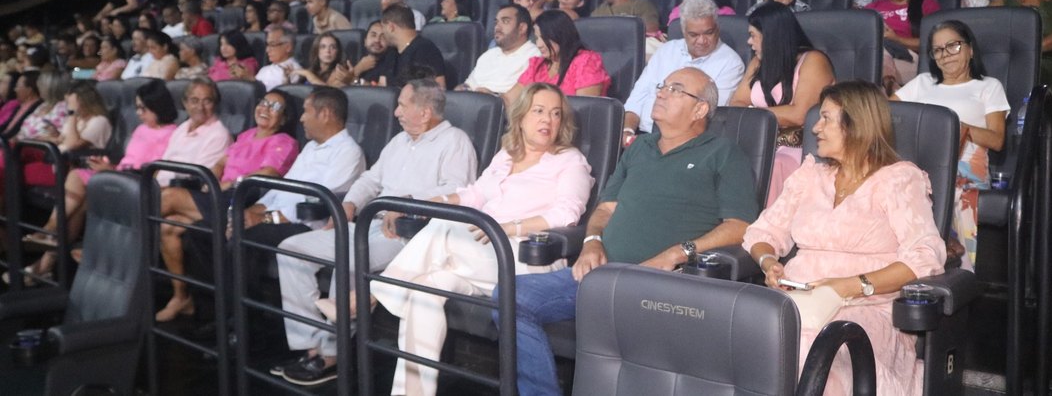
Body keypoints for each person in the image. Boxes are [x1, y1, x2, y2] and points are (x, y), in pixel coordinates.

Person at [499, 67, 759, 396]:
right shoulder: (639, 148)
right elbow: (605, 209)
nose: (661, 92)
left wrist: (677, 253)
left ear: (700, 109)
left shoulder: (723, 154)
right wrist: (592, 242)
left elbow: (740, 226)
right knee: (510, 297)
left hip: (663, 286)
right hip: (602, 273)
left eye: (676, 90)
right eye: (663, 86)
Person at [371, 83, 594, 396]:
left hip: (525, 260)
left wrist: (509, 228)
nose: (549, 120)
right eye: (539, 111)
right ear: (521, 116)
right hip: (477, 256)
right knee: (426, 288)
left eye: (556, 114)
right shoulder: (506, 155)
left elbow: (567, 214)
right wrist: (435, 201)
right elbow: (474, 194)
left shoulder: (569, 161)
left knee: (443, 228)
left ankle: (372, 294)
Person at [744, 80, 946, 396]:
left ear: (856, 125)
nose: (815, 129)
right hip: (798, 300)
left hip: (866, 306)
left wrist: (848, 286)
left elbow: (924, 256)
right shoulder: (810, 175)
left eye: (826, 119)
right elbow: (762, 232)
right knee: (746, 335)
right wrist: (769, 261)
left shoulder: (898, 179)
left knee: (813, 344)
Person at [273, 79, 478, 386]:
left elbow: (456, 192)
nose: (396, 112)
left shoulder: (455, 141)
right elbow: (370, 179)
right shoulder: (399, 142)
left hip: (412, 235)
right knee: (291, 249)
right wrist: (350, 203)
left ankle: (333, 356)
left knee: (352, 257)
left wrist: (407, 205)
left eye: (403, 105)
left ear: (424, 112)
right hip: (370, 224)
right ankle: (312, 346)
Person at [154, 89, 299, 322]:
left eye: (275, 107)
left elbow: (269, 173)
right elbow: (222, 162)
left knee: (169, 197)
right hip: (220, 193)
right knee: (168, 227)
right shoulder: (246, 135)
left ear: (283, 119)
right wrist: (212, 179)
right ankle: (181, 297)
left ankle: (125, 236)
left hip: (243, 198)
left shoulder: (284, 142)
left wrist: (229, 183)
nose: (266, 109)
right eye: (264, 103)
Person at [21, 80, 179, 282]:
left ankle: (48, 245)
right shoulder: (141, 129)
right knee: (79, 180)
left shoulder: (171, 133)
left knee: (80, 192)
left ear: (158, 106)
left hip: (135, 182)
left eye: (143, 108)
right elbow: (126, 161)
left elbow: (153, 171)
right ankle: (48, 244)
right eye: (137, 107)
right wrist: (108, 165)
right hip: (119, 174)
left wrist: (112, 170)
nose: (139, 113)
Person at [894, 20, 1009, 269]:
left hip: (966, 167)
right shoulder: (922, 83)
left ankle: (959, 272)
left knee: (953, 193)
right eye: (938, 50)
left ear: (970, 49)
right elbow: (887, 114)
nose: (945, 55)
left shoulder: (988, 87)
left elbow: (997, 139)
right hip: (919, 162)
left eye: (953, 46)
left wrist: (959, 127)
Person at [731, 2, 835, 204]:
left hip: (801, 147)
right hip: (762, 142)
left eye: (753, 35)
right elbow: (737, 103)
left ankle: (764, 231)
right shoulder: (757, 63)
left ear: (770, 35)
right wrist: (768, 116)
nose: (749, 42)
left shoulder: (813, 60)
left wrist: (755, 113)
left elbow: (800, 114)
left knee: (773, 165)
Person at [623, 0, 744, 139]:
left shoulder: (731, 63)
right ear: (683, 31)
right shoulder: (666, 50)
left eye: (708, 33)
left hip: (682, 141)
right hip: (641, 135)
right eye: (694, 35)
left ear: (717, 28)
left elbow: (708, 117)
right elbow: (637, 97)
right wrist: (627, 132)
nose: (701, 41)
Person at [503, 10, 610, 106]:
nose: (539, 44)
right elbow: (509, 99)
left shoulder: (586, 62)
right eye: (537, 38)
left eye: (544, 38)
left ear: (559, 35)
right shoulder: (536, 65)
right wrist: (490, 99)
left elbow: (584, 109)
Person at [867, 0, 941, 92]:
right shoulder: (873, 8)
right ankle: (889, 84)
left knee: (876, 60)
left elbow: (935, 44)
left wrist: (896, 39)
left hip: (910, 60)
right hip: (876, 57)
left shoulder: (927, 6)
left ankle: (888, 84)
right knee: (876, 51)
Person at [156, 78, 233, 185]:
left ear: (215, 104)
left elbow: (196, 179)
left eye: (207, 101)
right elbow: (162, 165)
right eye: (194, 100)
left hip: (181, 191)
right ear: (185, 103)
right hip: (159, 187)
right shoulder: (182, 128)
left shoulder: (219, 135)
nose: (200, 107)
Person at [458, 5, 541, 95]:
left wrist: (492, 97)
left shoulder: (535, 56)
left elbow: (526, 98)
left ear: (522, 28)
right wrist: (463, 88)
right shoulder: (488, 55)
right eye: (496, 23)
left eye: (505, 21)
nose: (497, 27)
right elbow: (468, 84)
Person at [377, 4, 447, 88]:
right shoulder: (391, 52)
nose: (382, 33)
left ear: (391, 27)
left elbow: (439, 88)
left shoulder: (426, 50)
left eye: (383, 27)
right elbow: (383, 85)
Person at [0, 72, 42, 140]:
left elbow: (14, 131)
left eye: (17, 86)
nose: (15, 89)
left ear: (29, 90)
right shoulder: (20, 106)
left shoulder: (36, 107)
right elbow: (6, 126)